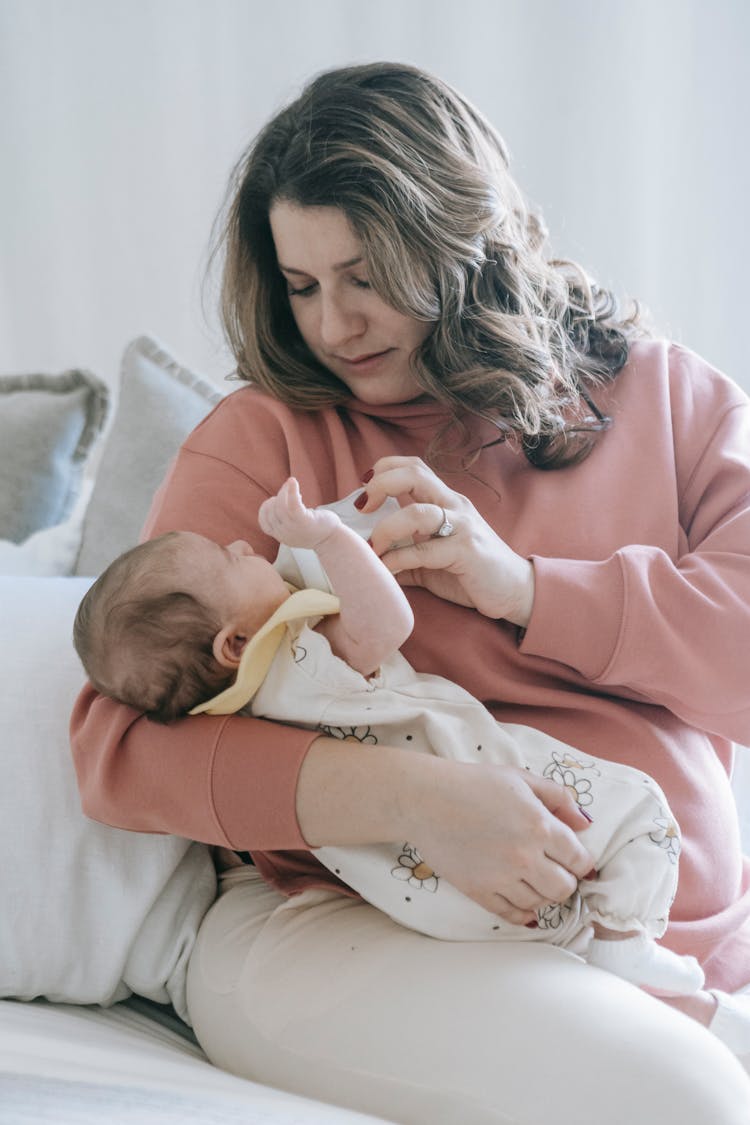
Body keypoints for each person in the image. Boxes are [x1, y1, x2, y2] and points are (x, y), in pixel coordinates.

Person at [70, 62, 750, 1123]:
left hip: (672, 943)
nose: (334, 326)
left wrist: (525, 590)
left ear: (462, 242)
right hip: (366, 922)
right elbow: (121, 749)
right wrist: (424, 806)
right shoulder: (267, 441)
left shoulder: (671, 400)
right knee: (686, 1101)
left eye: (366, 274)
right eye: (301, 287)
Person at [73, 476, 705, 996]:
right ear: (235, 644)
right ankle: (624, 944)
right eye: (227, 557)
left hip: (421, 886)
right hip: (475, 769)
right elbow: (387, 620)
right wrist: (326, 537)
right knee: (640, 810)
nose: (243, 544)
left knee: (548, 919)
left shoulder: (231, 719)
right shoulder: (303, 657)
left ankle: (612, 969)